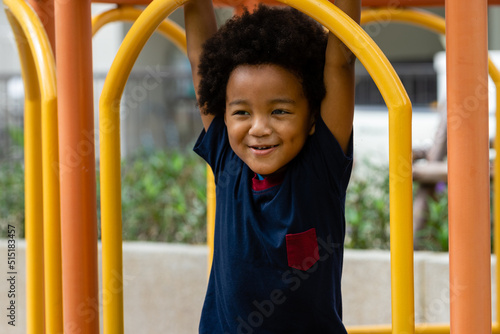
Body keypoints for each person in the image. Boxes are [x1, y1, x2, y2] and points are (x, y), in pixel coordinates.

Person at [184, 0, 360, 332]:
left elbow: (340, 61)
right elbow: (200, 56)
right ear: (223, 113)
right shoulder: (228, 160)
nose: (259, 128)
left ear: (311, 119)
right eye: (241, 112)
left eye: (279, 111)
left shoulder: (319, 169)